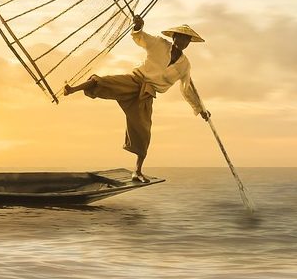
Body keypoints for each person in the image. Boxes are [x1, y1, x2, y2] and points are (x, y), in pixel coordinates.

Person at [63, 15, 210, 183]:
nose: (182, 42)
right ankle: (72, 89)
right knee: (105, 82)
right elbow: (141, 38)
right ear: (173, 37)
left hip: (147, 93)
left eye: (186, 40)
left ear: (189, 43)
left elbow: (187, 88)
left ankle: (137, 171)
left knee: (143, 131)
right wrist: (138, 27)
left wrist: (200, 109)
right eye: (180, 37)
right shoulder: (160, 44)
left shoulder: (185, 65)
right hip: (135, 80)